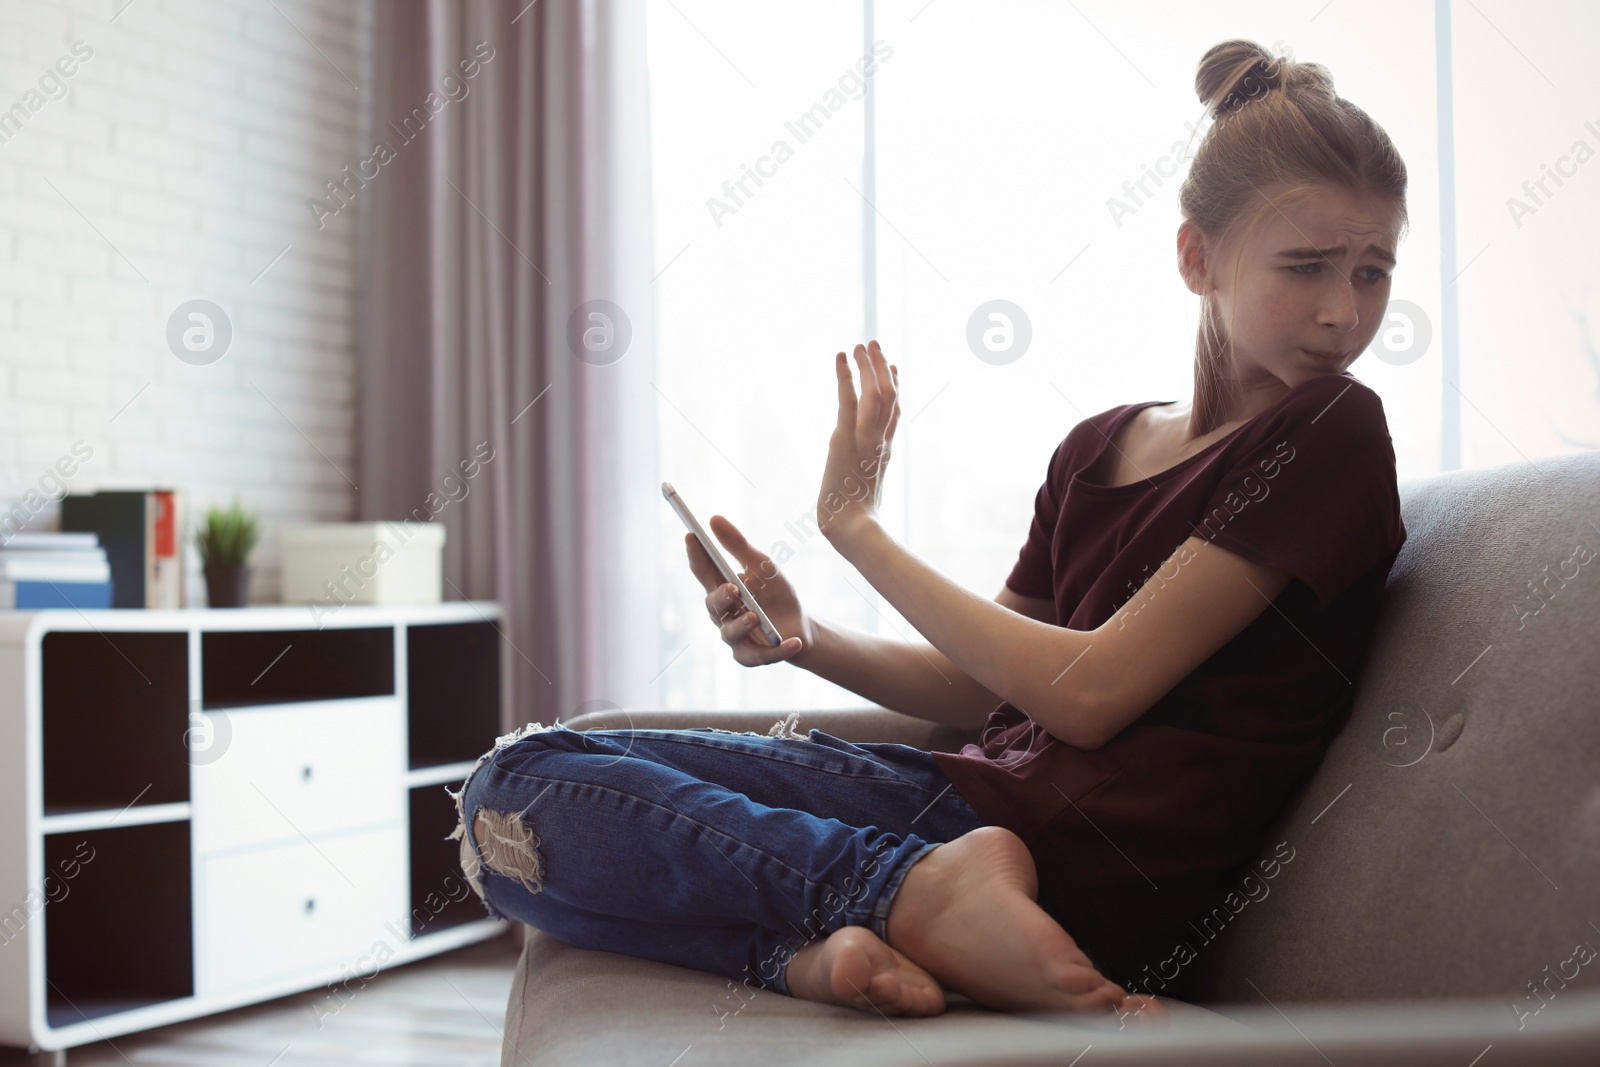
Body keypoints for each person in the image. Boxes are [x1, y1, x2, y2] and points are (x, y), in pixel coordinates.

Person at [451, 37, 1408, 1022]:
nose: (1344, 312)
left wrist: (853, 524)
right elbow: (975, 690)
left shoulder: (1328, 431)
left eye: (1373, 271)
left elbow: (1087, 694)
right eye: (1307, 267)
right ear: (1195, 255)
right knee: (506, 812)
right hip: (957, 810)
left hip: (1084, 871)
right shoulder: (1098, 446)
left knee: (523, 784)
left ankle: (899, 898)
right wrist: (807, 640)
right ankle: (835, 938)